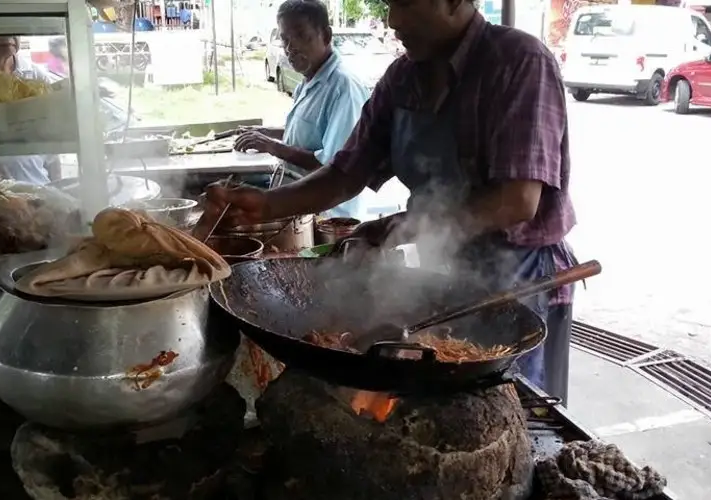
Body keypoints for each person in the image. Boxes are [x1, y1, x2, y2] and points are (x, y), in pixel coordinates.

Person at [205, 0, 577, 403]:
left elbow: (516, 201)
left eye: (406, 3)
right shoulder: (403, 78)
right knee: (427, 402)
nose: (393, 20)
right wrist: (267, 204)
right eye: (389, 4)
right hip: (438, 265)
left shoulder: (518, 62)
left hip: (515, 280)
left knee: (507, 416)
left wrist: (409, 229)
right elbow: (346, 172)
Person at [232, 0, 373, 219]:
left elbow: (329, 164)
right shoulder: (306, 83)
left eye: (300, 35)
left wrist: (272, 147)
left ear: (325, 36)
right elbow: (306, 134)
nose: (290, 48)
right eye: (285, 39)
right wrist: (267, 133)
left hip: (328, 219)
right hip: (300, 211)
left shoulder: (343, 88)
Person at [0, 36, 62, 184]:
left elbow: (53, 150)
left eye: (12, 26)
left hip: (37, 188)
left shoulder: (37, 77)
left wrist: (57, 189)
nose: (6, 35)